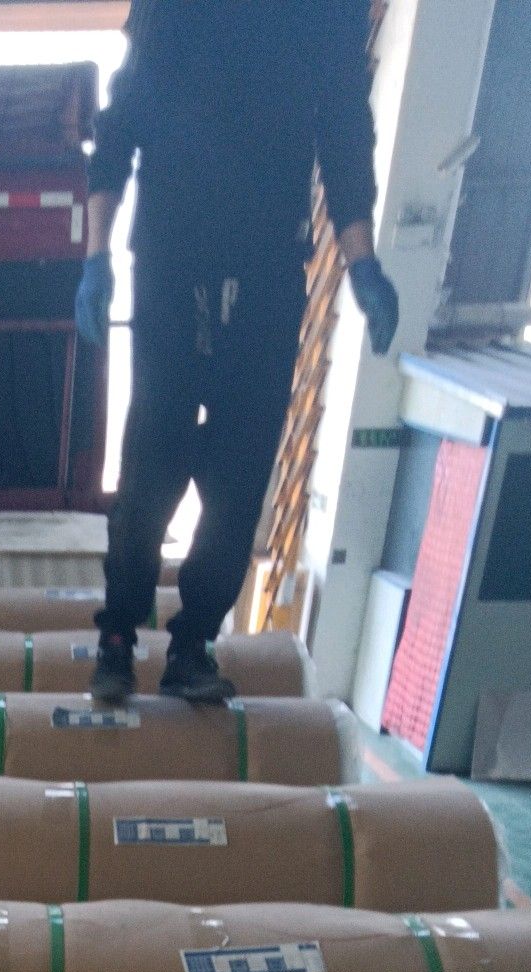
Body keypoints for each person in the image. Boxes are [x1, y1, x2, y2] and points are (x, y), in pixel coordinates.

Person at [75, 0, 400, 704]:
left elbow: (346, 133)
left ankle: (193, 643)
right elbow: (121, 124)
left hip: (268, 263)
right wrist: (96, 257)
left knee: (242, 466)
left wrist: (363, 262)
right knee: (152, 452)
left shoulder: (328, 14)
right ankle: (118, 636)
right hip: (172, 254)